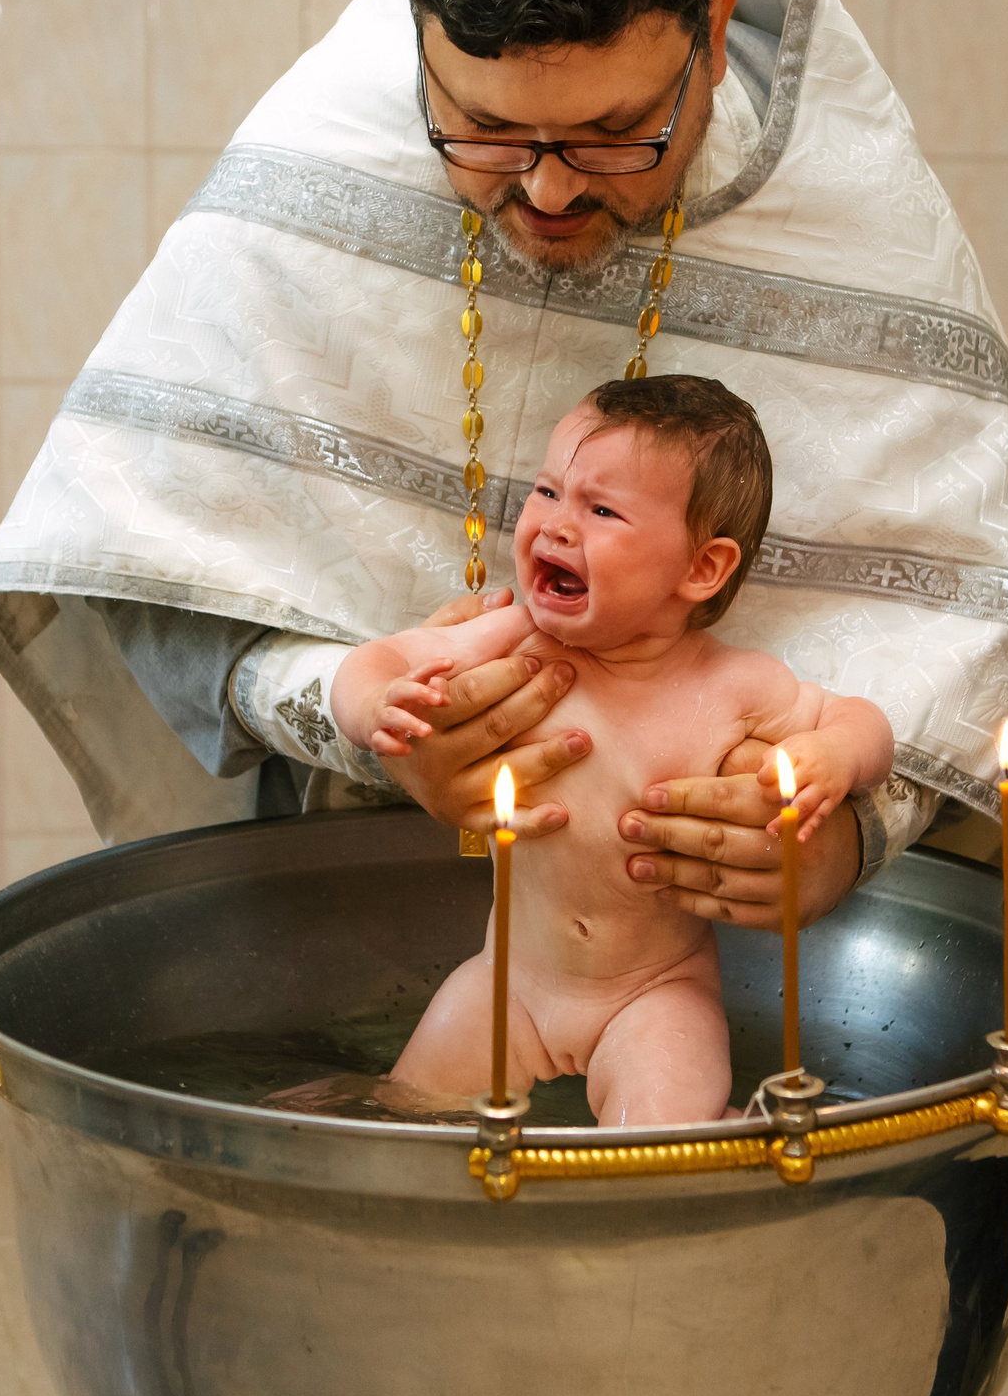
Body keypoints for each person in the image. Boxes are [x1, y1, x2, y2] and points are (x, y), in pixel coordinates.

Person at [0, 0, 1008, 1197]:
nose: (542, 194)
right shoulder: (314, 171)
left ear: (713, 34)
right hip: (352, 912)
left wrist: (834, 834)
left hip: (682, 953)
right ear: (419, 41)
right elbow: (142, 561)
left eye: (612, 136)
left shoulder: (852, 223)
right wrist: (344, 703)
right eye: (481, 131)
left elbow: (963, 650)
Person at [340, 377, 894, 1125]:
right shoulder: (510, 638)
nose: (556, 526)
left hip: (656, 990)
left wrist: (837, 755)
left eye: (600, 509)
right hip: (509, 984)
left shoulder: (731, 686)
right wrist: (376, 703)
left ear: (702, 568)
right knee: (403, 1117)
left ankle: (709, 1125)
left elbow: (864, 722)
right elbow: (374, 659)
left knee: (660, 1152)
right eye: (546, 491)